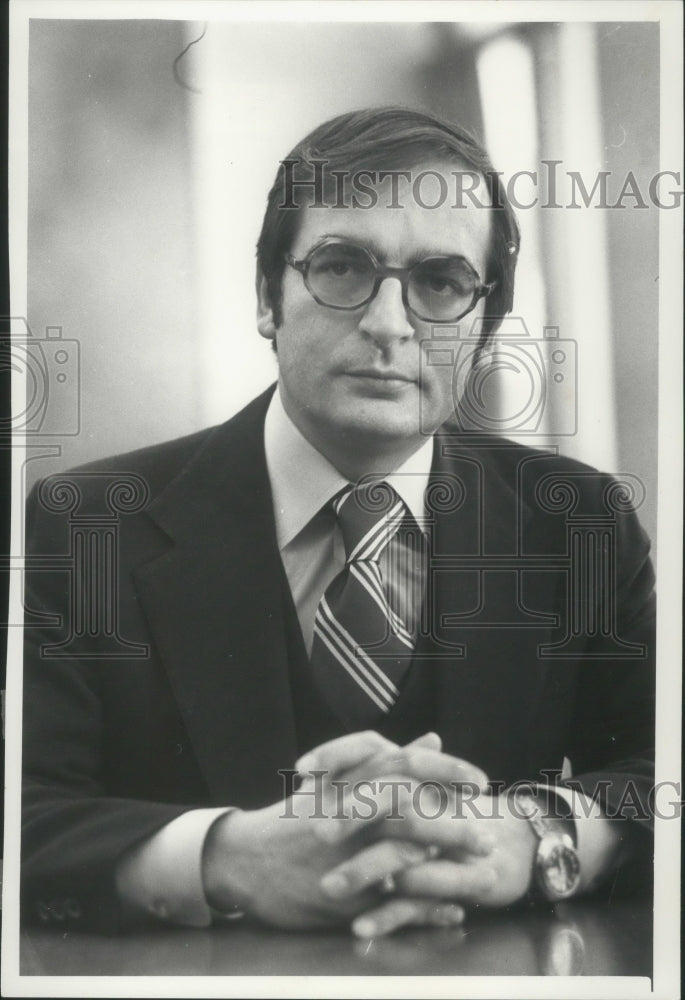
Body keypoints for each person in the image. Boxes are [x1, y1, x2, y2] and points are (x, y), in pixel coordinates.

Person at [21, 107, 655, 938]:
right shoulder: (86, 525)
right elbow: (22, 809)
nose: (389, 323)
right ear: (266, 298)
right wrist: (222, 857)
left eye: (439, 282)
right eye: (342, 267)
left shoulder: (580, 523)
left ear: (483, 327)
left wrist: (540, 833)